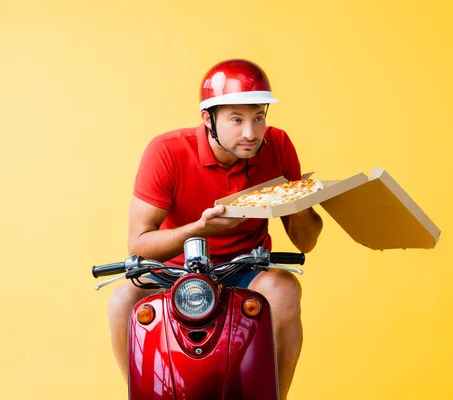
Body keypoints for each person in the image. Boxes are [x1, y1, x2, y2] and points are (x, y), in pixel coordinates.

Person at [107, 58, 323, 400]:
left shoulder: (278, 146)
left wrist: (301, 200)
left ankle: (275, 395)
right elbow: (139, 244)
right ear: (208, 119)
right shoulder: (167, 151)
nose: (251, 133)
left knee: (284, 289)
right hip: (172, 272)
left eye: (258, 118)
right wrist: (199, 229)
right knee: (122, 300)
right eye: (236, 120)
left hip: (244, 269)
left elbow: (306, 243)